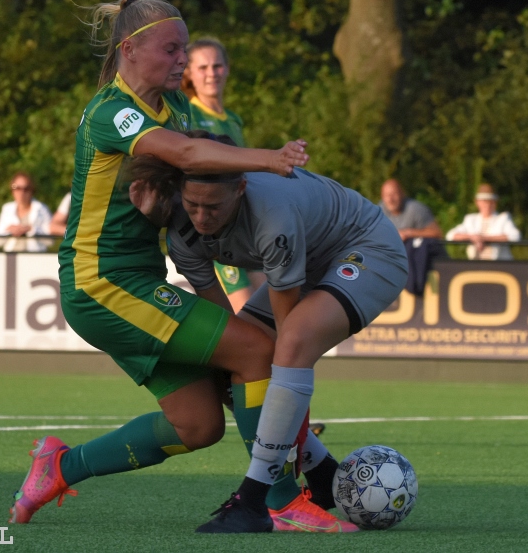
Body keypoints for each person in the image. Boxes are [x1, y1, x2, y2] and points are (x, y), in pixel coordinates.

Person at [8, 0, 342, 534]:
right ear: (130, 49)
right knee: (257, 350)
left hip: (139, 282)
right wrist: (270, 159)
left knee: (198, 424)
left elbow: (189, 187)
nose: (182, 59)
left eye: (185, 48)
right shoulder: (110, 110)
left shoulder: (179, 111)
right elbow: (188, 159)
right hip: (103, 284)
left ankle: (59, 467)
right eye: (172, 48)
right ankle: (280, 502)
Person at [127, 130, 408, 533]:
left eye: (214, 207)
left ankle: (254, 500)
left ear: (240, 189)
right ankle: (322, 472)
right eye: (192, 205)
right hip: (309, 261)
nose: (202, 218)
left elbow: (291, 335)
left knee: (291, 344)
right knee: (237, 362)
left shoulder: (272, 214)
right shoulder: (181, 229)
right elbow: (224, 326)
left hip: (367, 248)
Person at [181, 37, 260, 311]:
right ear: (189, 73)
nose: (211, 73)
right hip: (214, 234)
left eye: (217, 66)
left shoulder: (233, 119)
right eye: (202, 68)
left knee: (272, 314)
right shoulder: (186, 112)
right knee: (246, 319)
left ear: (227, 69)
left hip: (246, 232)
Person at [380, 178, 446, 295]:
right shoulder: (378, 211)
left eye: (394, 194)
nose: (390, 199)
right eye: (387, 195)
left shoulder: (416, 209)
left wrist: (409, 233)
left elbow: (437, 233)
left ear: (402, 194)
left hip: (417, 260)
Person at [446, 183, 521, 260]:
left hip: (499, 266)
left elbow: (515, 236)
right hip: (476, 265)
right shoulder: (471, 219)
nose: (487, 205)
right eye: (484, 201)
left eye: (491, 201)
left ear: (495, 203)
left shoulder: (503, 218)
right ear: (477, 202)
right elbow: (450, 235)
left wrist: (485, 238)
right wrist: (472, 237)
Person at [0, 171, 53, 252]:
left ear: (32, 190)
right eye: (17, 188)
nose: (21, 193)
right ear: (12, 190)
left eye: (26, 189)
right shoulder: (7, 209)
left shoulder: (42, 209)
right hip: (11, 259)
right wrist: (10, 231)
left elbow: (51, 241)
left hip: (35, 258)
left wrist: (32, 230)